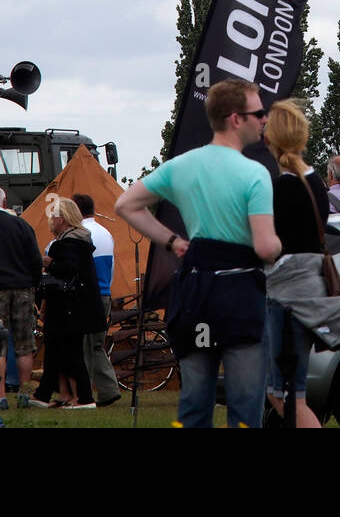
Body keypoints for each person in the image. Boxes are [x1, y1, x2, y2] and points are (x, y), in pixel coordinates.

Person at [114, 79, 282, 428]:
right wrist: (284, 244)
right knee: (245, 404)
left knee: (195, 399)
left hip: (196, 293)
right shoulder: (255, 174)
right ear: (236, 119)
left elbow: (126, 204)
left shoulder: (182, 165)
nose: (264, 119)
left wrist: (171, 241)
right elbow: (266, 247)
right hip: (241, 294)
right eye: (259, 113)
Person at [262, 100, 340, 429]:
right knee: (292, 393)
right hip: (310, 287)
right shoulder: (317, 183)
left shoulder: (280, 188)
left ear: (269, 140)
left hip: (286, 292)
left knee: (282, 394)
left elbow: (267, 244)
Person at [29, 197, 106, 409]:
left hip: (67, 307)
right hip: (78, 305)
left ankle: (83, 397)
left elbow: (67, 269)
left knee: (69, 352)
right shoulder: (82, 239)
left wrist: (49, 263)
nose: (51, 220)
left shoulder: (66, 244)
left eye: (54, 216)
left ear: (62, 219)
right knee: (58, 351)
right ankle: (47, 394)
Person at [0, 185, 42, 410]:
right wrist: (33, 284)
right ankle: (23, 395)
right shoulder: (22, 225)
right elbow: (36, 261)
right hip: (24, 289)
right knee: (25, 344)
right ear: (5, 203)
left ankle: (0, 397)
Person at [73, 193, 122, 407]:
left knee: (85, 345)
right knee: (96, 345)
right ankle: (108, 390)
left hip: (87, 295)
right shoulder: (106, 232)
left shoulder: (80, 234)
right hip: (105, 294)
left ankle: (85, 393)